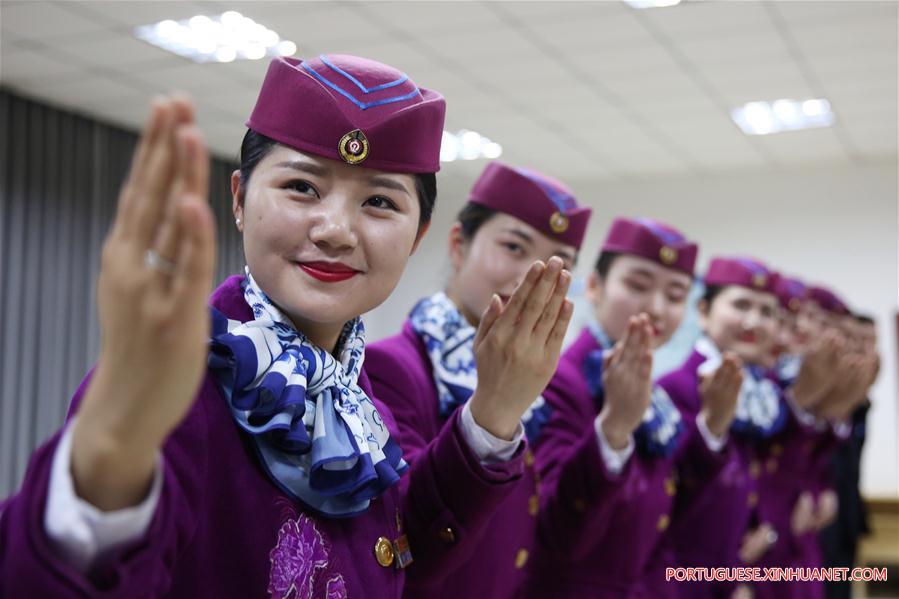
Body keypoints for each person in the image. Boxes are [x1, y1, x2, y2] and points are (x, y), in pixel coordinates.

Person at [0, 55, 572, 598]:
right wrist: (104, 463)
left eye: (379, 201)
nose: (336, 230)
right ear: (240, 198)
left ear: (418, 236)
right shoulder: (177, 383)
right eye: (302, 187)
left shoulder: (351, 386)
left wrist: (495, 408)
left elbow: (402, 557)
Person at [365, 160, 591, 598]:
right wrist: (492, 411)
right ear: (458, 244)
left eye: (557, 264)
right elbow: (407, 542)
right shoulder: (390, 368)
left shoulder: (541, 386)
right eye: (513, 247)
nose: (533, 277)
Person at [523, 218, 742, 598]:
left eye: (675, 296)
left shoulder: (651, 392)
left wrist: (713, 426)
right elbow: (554, 531)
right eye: (638, 286)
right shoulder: (558, 380)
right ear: (594, 286)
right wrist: (613, 430)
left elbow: (667, 511)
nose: (656, 309)